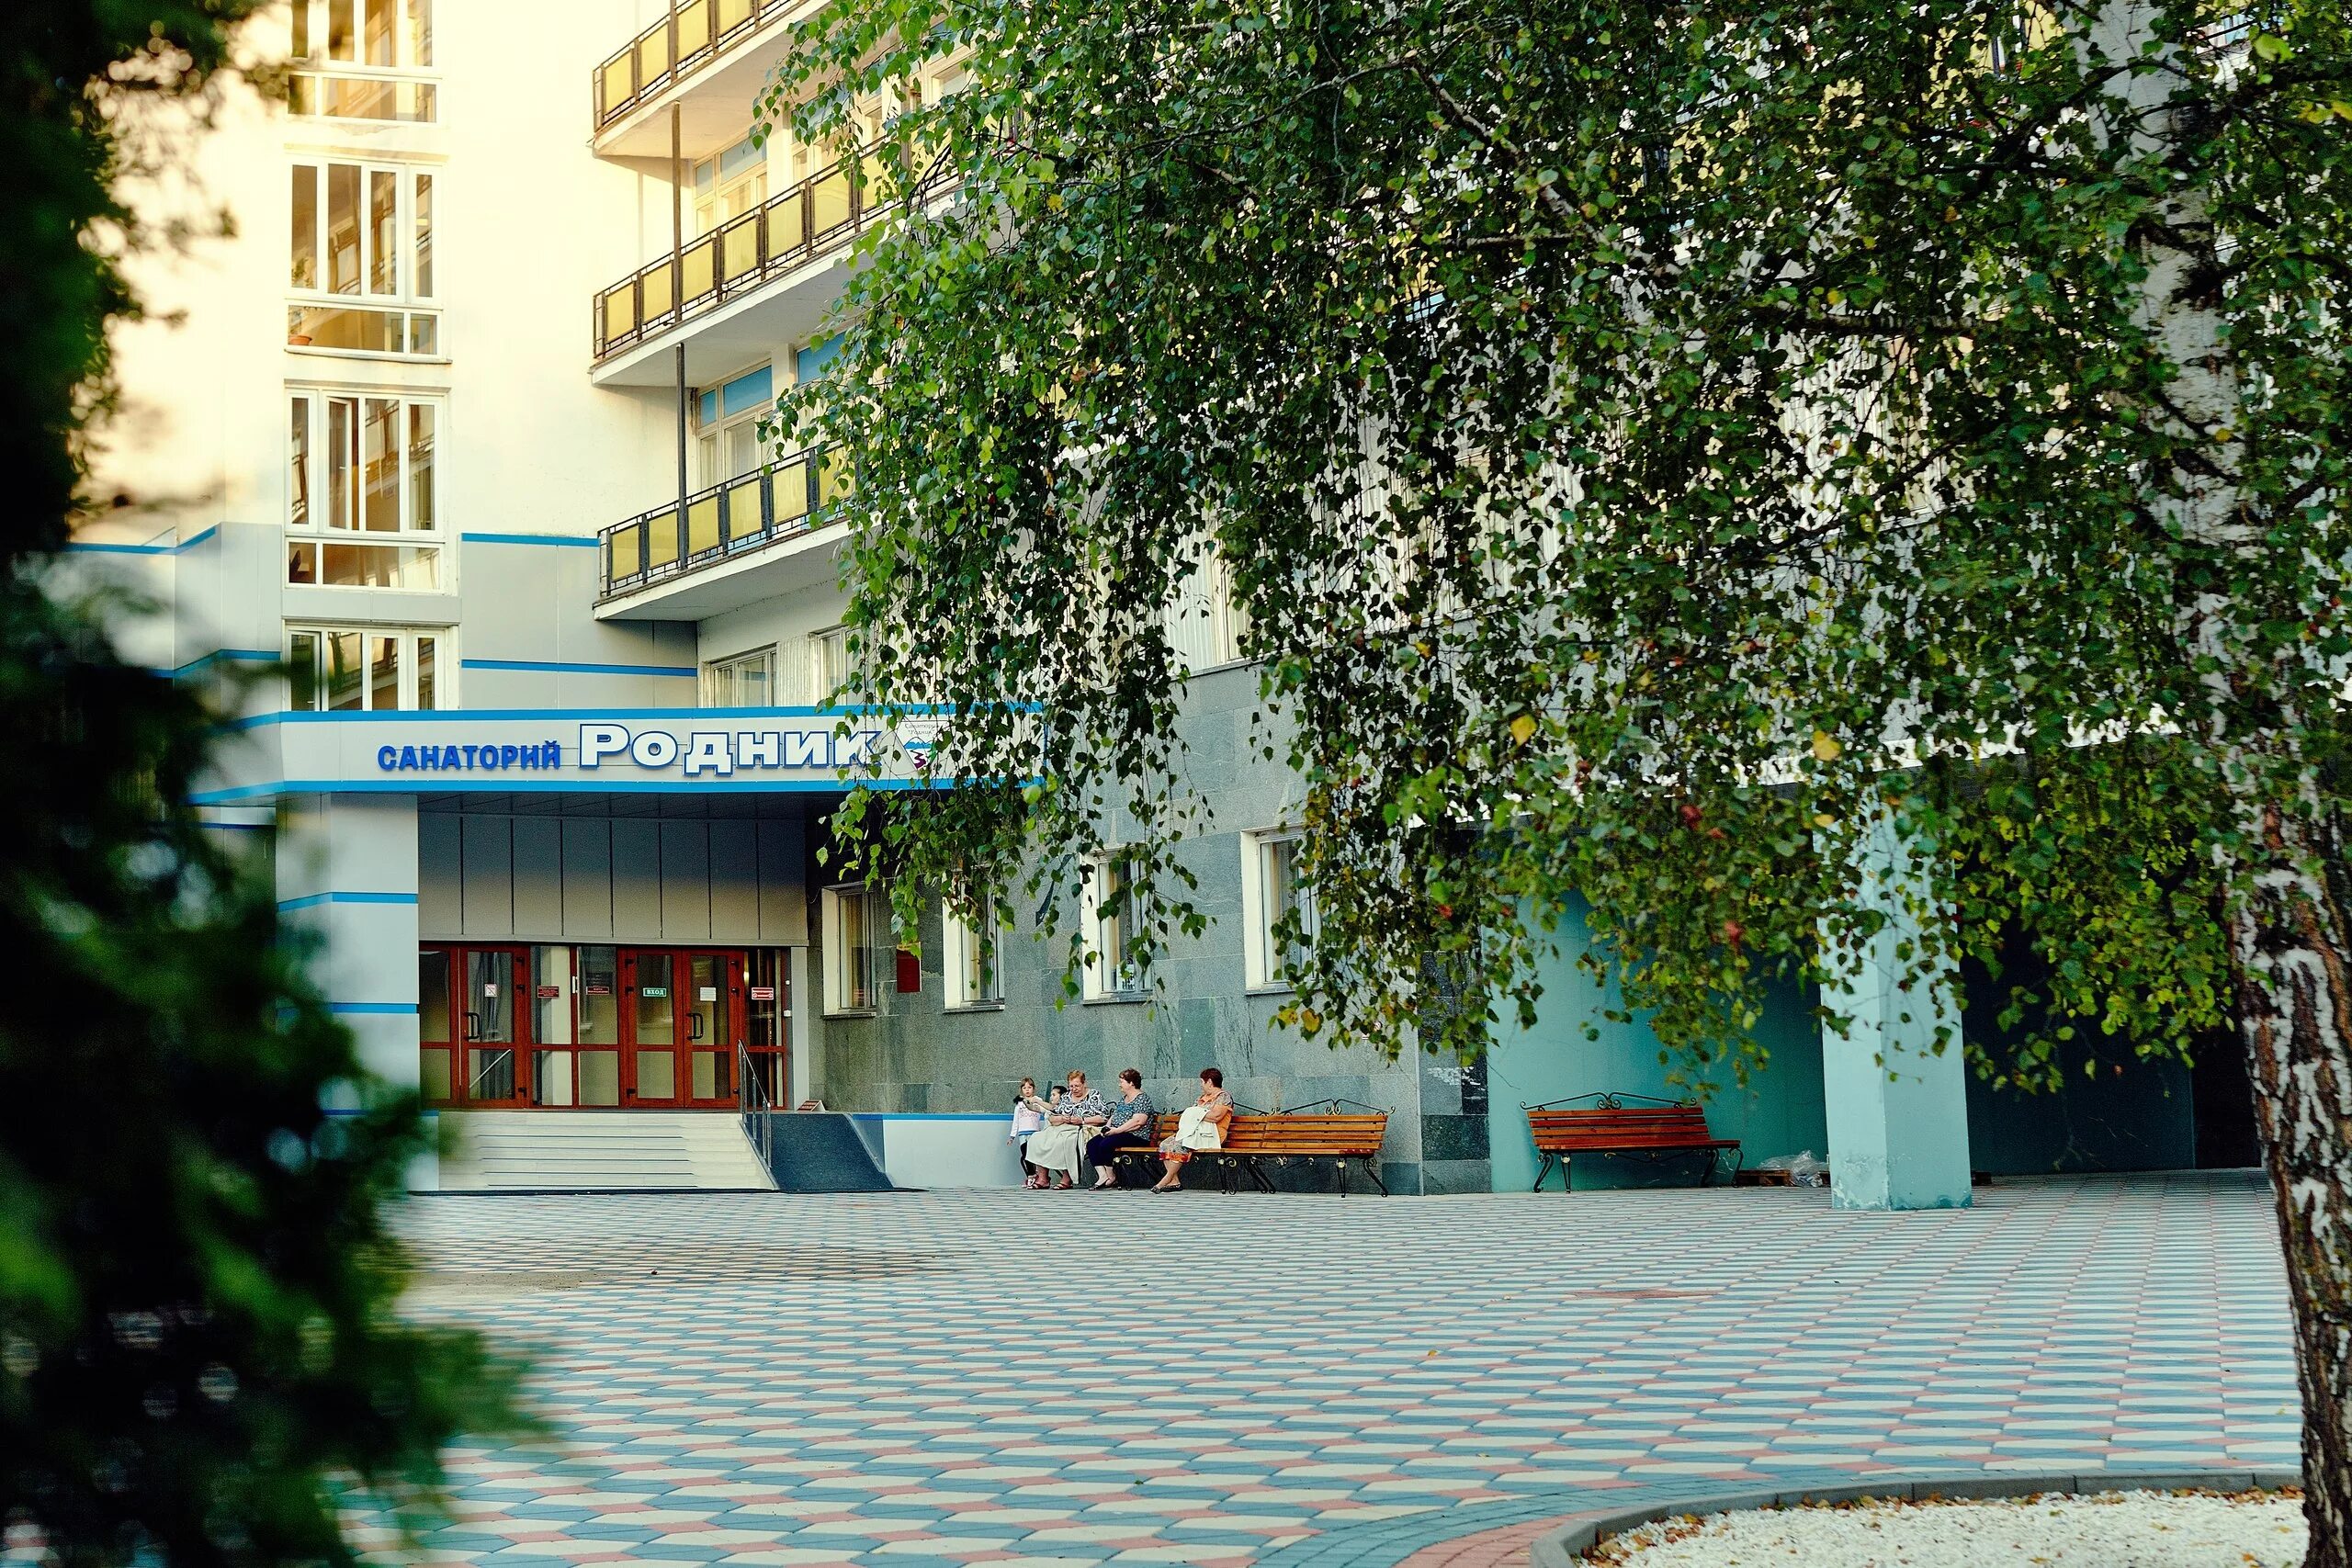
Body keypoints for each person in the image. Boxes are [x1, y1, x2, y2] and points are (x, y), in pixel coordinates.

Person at [1151, 1067, 1232, 1192]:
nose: (1201, 1085)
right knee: (1165, 1144)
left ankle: (1165, 1180)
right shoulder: (1201, 1098)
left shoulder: (1223, 1097)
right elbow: (1192, 1117)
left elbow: (1216, 1117)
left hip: (1212, 1135)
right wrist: (1198, 1114)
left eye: (1202, 1082)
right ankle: (1174, 1181)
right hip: (1195, 1133)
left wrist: (1196, 1114)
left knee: (1180, 1145)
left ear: (1209, 1082)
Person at [1021, 1070, 1106, 1190]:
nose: (1074, 1089)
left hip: (1083, 1128)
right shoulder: (1066, 1097)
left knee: (1067, 1141)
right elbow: (1053, 1114)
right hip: (1062, 1126)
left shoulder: (1094, 1095)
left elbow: (1103, 1118)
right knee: (1037, 1138)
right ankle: (1043, 1178)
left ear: (1084, 1083)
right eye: (1071, 1086)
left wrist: (1082, 1120)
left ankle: (1067, 1178)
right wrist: (1061, 1118)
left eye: (1077, 1086)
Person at [1084, 1068, 1157, 1189]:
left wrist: (1117, 1130)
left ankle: (1111, 1176)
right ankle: (1103, 1176)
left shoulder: (1142, 1099)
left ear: (1131, 1083)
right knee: (1092, 1144)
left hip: (1136, 1136)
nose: (1119, 1084)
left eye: (1122, 1081)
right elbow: (1115, 1115)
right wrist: (1108, 1127)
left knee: (1106, 1144)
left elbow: (1138, 1121)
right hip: (1117, 1133)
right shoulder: (1124, 1099)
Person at [1009, 1077, 1049, 1190]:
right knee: (1025, 1154)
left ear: (1034, 1089)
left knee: (1034, 1154)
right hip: (1022, 1133)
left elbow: (1045, 1112)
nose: (1027, 1090)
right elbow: (1016, 1120)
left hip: (1034, 1132)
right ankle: (1031, 1175)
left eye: (1030, 1087)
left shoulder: (1037, 1100)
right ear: (1021, 1089)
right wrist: (1012, 1136)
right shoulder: (1019, 1103)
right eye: (1024, 1087)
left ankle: (1037, 1175)